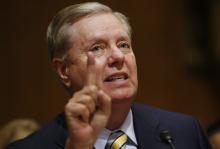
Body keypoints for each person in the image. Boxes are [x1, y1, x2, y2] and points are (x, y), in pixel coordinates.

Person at [6, 2, 211, 149]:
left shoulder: (185, 132)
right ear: (63, 70)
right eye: (97, 48)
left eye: (123, 45)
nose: (117, 56)